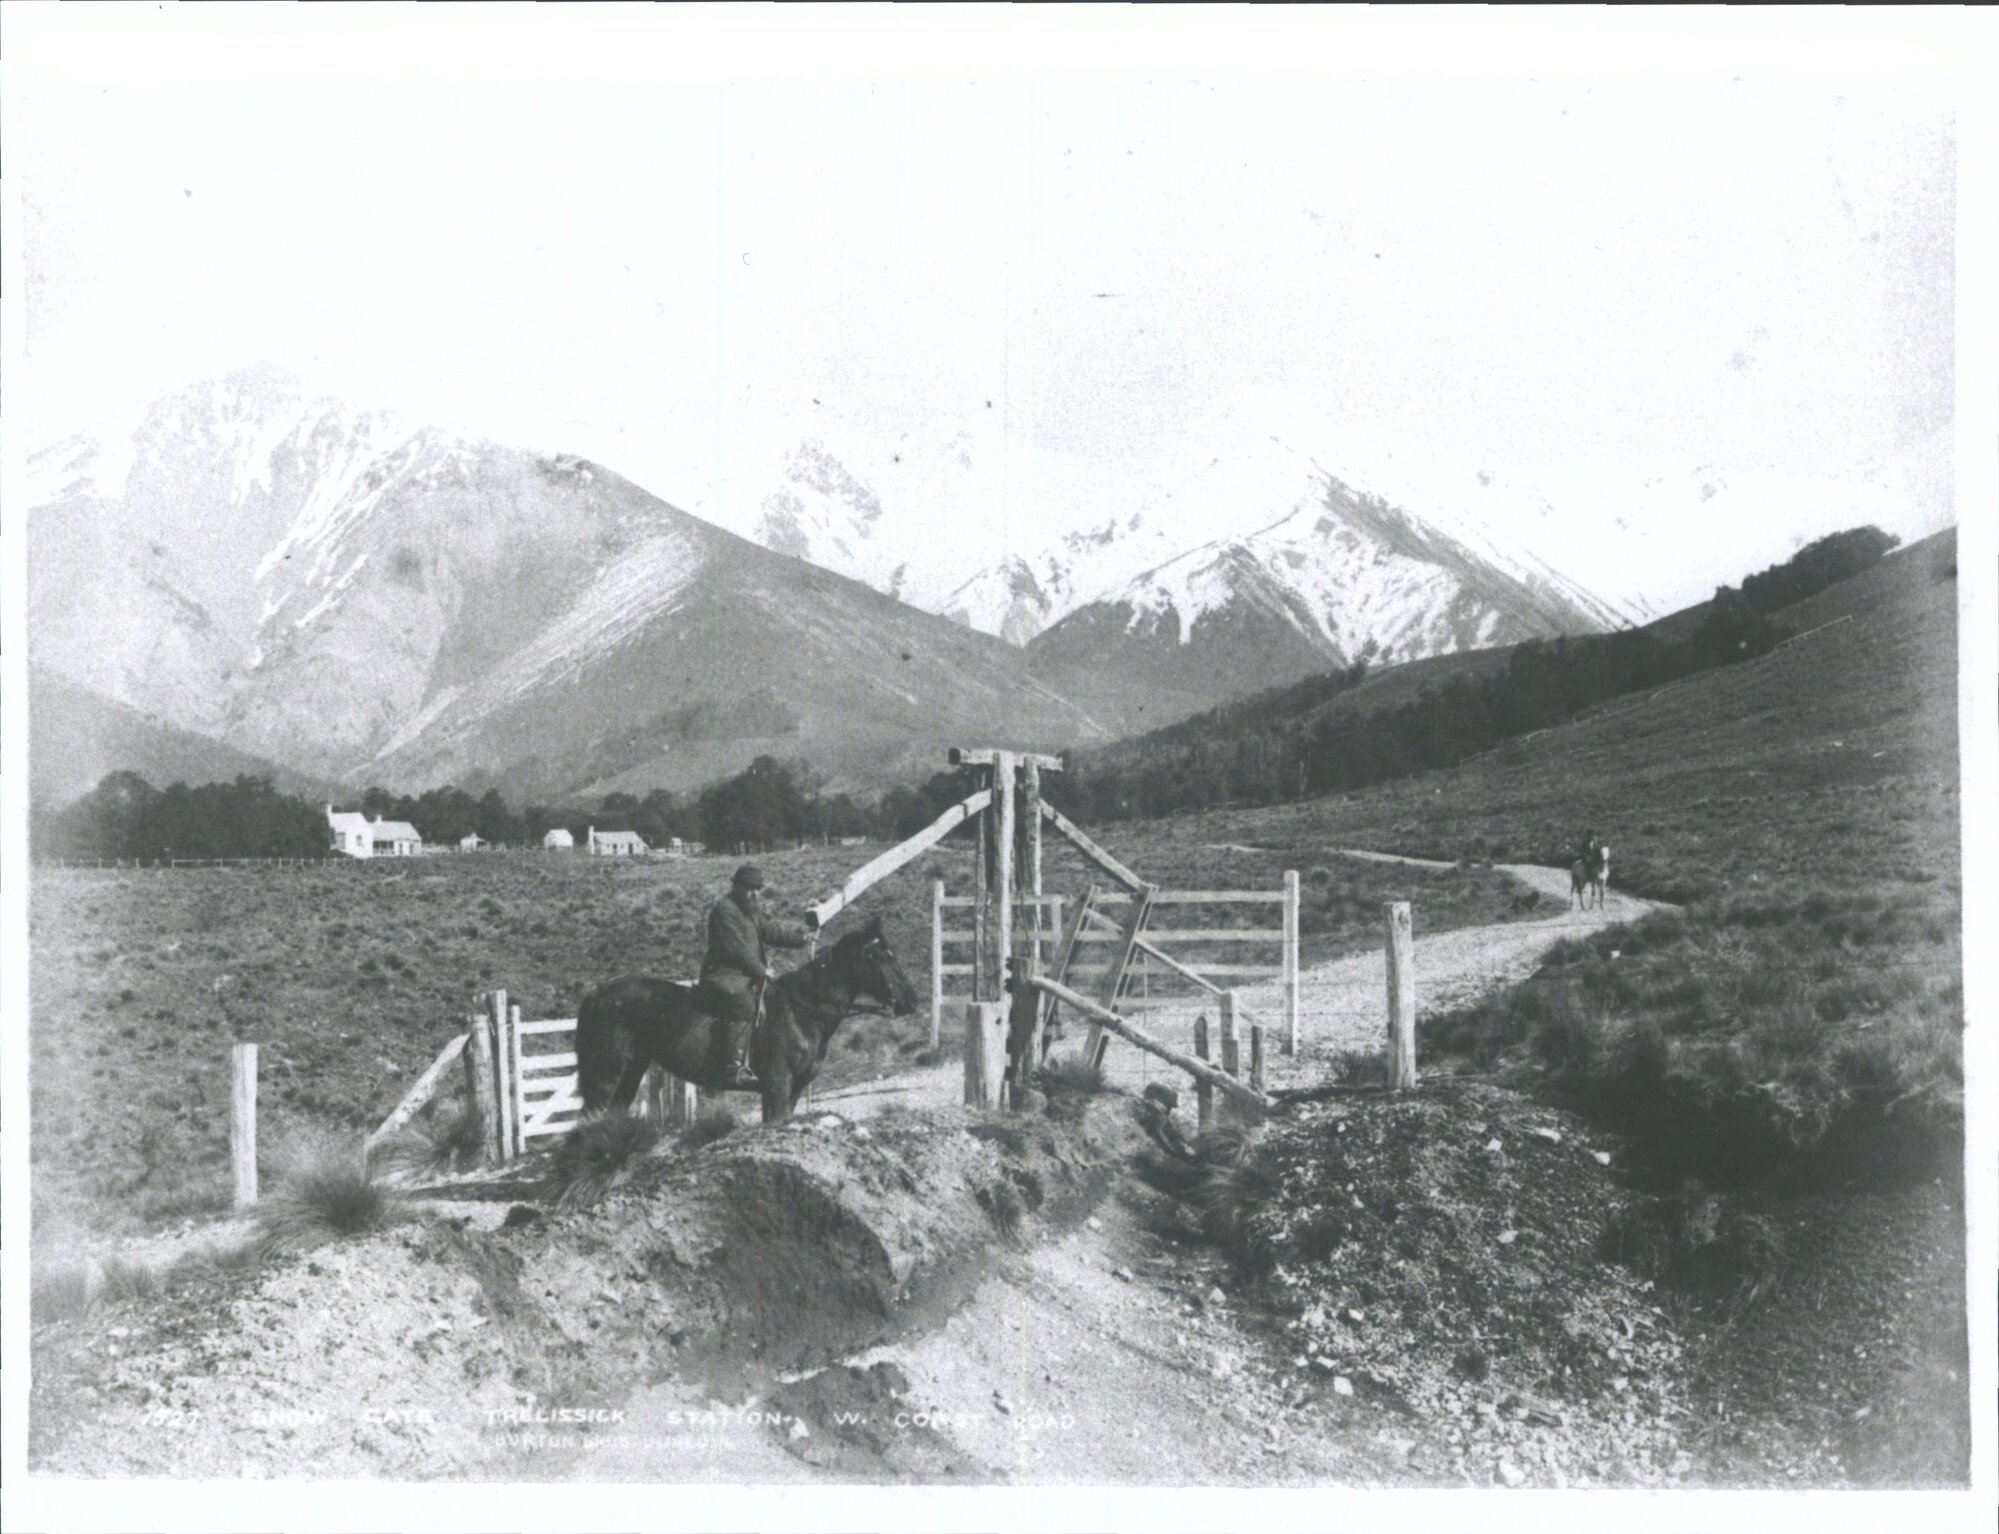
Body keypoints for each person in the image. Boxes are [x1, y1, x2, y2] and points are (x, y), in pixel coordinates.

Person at [699, 864, 815, 1087]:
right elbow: (736, 950)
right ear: (736, 886)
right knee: (743, 1003)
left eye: (757, 889)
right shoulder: (725, 910)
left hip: (747, 974)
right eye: (748, 888)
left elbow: (771, 931)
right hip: (725, 975)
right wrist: (763, 971)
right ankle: (734, 1068)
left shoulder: (750, 909)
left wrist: (801, 939)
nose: (753, 893)